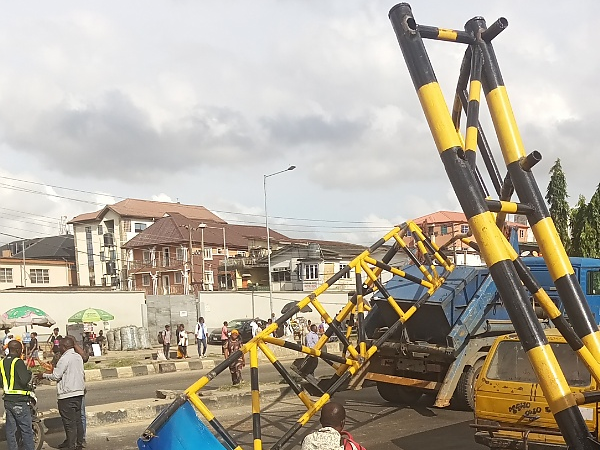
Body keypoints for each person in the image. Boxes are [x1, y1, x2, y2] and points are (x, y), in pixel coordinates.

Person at [39, 336, 85, 450]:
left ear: (64, 347)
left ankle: (71, 446)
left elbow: (56, 376)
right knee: (78, 421)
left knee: (69, 423)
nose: (59, 347)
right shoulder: (78, 357)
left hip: (67, 395)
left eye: (60, 345)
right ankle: (79, 443)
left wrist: (43, 375)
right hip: (78, 394)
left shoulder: (64, 358)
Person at [2, 340, 34, 450]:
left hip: (8, 400)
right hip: (20, 401)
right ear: (17, 349)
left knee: (11, 430)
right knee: (26, 430)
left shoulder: (2, 362)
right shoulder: (18, 362)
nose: (22, 351)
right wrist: (29, 373)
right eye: (21, 349)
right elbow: (25, 380)